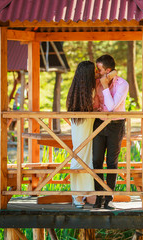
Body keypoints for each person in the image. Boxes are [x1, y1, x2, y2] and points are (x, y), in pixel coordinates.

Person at [92, 54, 129, 209]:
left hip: (116, 125)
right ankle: (98, 197)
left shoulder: (123, 84)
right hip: (99, 123)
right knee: (96, 161)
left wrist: (106, 86)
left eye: (99, 69)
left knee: (111, 162)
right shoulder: (97, 82)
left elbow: (112, 107)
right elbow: (95, 104)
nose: (97, 72)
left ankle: (109, 198)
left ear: (107, 70)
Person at [66, 61, 97, 208]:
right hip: (84, 125)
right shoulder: (89, 92)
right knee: (83, 154)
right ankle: (80, 194)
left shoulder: (76, 90)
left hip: (78, 124)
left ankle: (81, 194)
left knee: (82, 154)